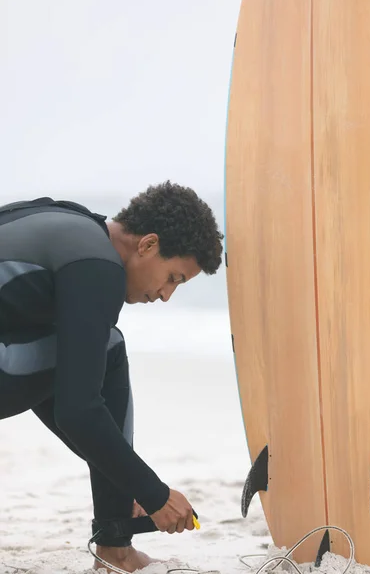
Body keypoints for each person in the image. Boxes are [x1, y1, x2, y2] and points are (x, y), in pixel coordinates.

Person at [0, 180, 224, 573]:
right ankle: (116, 548)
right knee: (109, 346)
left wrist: (125, 481)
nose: (166, 295)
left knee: (87, 352)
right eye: (173, 277)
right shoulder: (96, 266)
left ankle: (117, 522)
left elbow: (47, 375)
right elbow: (77, 410)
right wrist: (152, 493)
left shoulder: (69, 221)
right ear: (148, 245)